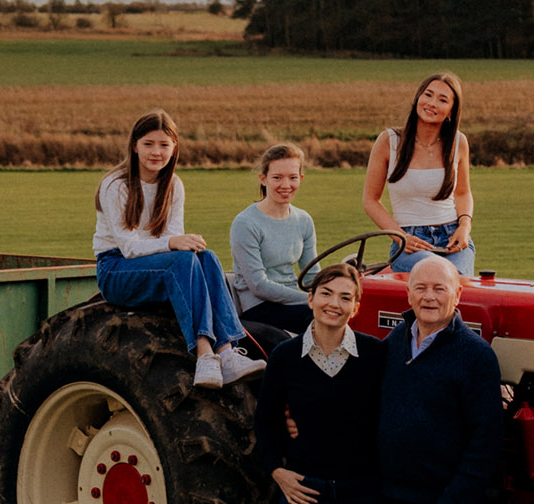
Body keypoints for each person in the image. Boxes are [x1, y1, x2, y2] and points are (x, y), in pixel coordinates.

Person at [93, 109, 265, 389]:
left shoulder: (173, 185)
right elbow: (129, 248)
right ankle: (204, 353)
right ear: (134, 146)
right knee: (182, 262)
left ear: (174, 148)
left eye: (164, 144)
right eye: (148, 144)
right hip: (116, 269)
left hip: (158, 264)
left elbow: (175, 244)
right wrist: (173, 243)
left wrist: (179, 244)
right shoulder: (116, 185)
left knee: (207, 258)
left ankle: (227, 353)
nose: (156, 152)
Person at [255, 263, 384, 504]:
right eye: (326, 293)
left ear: (355, 308)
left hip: (361, 491)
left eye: (345, 298)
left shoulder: (374, 354)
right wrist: (277, 471)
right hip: (303, 490)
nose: (334, 304)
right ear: (311, 299)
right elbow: (265, 420)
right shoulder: (285, 356)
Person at [376, 255, 502, 503]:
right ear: (409, 293)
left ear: (458, 294)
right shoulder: (396, 340)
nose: (429, 297)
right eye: (420, 288)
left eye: (439, 288)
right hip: (385, 493)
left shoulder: (476, 356)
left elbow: (485, 444)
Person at [362, 73, 477, 276]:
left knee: (457, 288)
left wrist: (464, 226)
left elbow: (462, 193)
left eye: (442, 100)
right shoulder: (389, 141)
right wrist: (400, 237)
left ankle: (382, 273)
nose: (432, 103)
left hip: (452, 237)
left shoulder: (458, 142)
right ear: (418, 98)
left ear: (451, 111)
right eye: (428, 95)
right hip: (410, 241)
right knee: (440, 275)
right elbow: (371, 200)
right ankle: (380, 273)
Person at [230, 144, 319, 336]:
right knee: (319, 318)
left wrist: (333, 290)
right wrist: (312, 299)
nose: (286, 185)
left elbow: (312, 275)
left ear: (301, 178)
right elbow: (259, 285)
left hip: (292, 301)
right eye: (277, 177)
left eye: (293, 177)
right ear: (263, 179)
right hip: (258, 305)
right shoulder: (246, 223)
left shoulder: (303, 220)